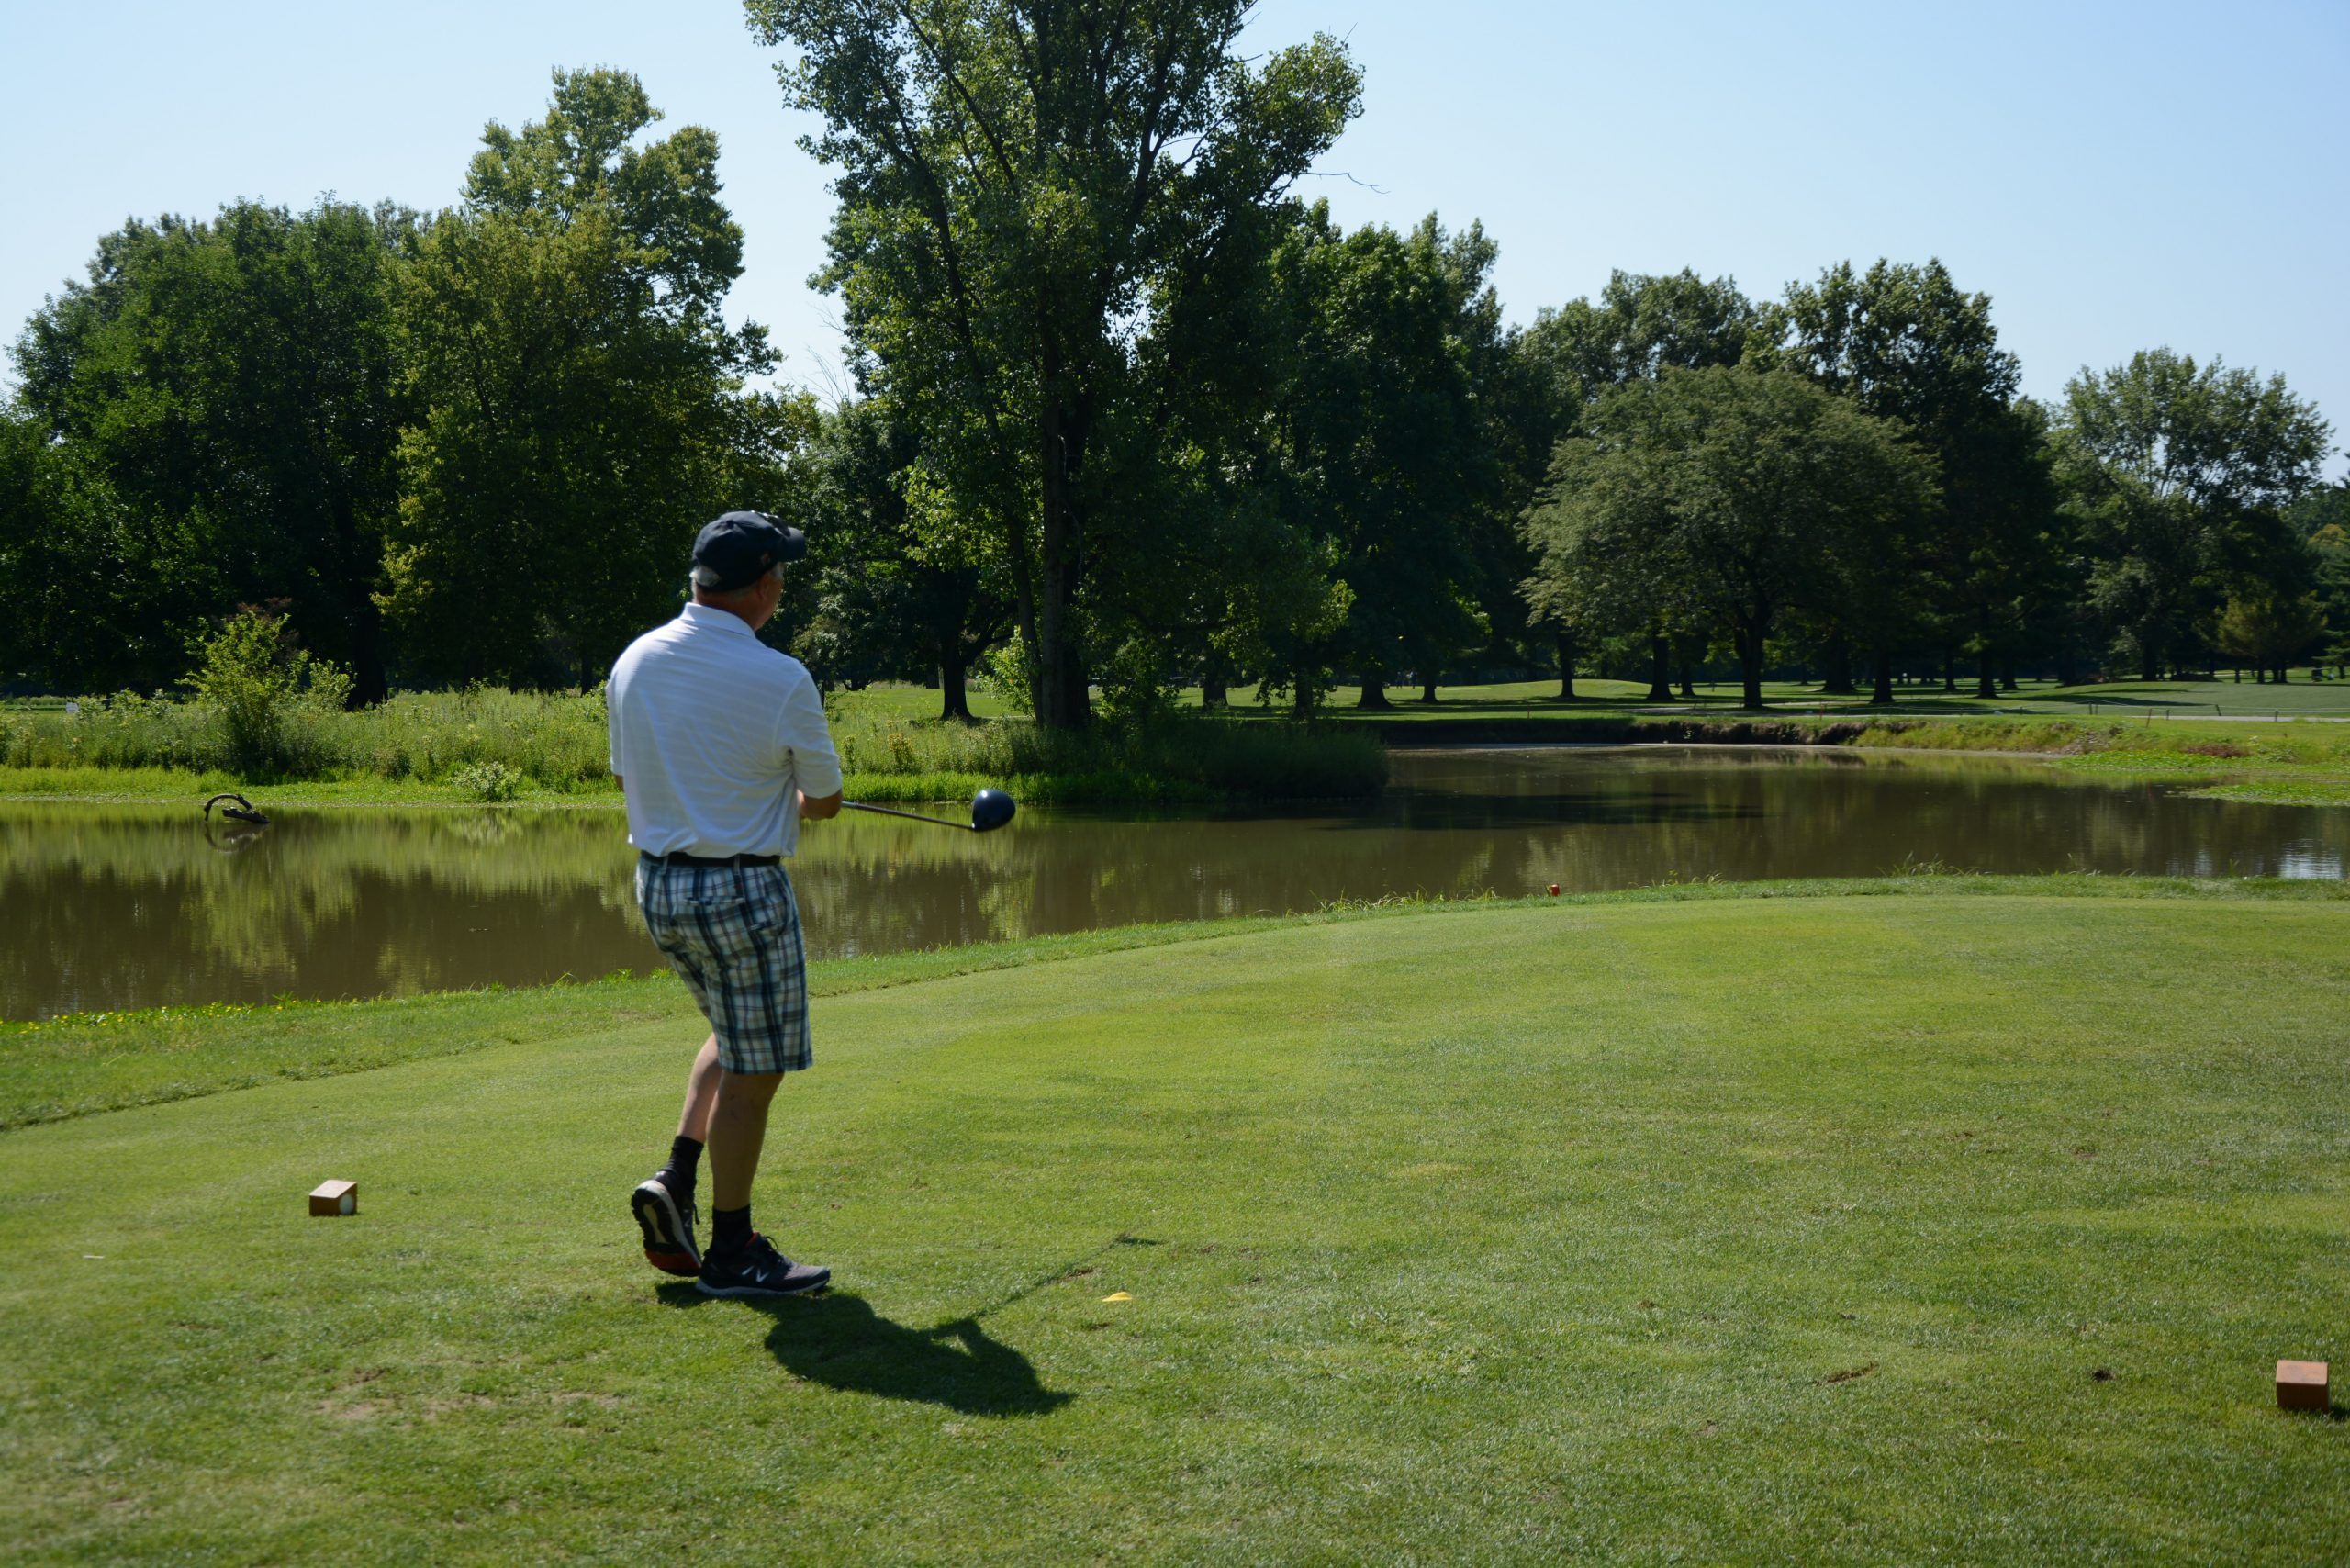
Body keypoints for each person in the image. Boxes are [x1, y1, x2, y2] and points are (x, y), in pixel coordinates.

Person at [607, 511, 843, 1297]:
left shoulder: (636, 658)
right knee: (757, 1065)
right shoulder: (781, 676)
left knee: (733, 1032)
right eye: (782, 577)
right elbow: (824, 801)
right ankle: (733, 1248)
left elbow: (628, 777)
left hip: (660, 887)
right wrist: (782, 795)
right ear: (765, 586)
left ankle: (676, 1178)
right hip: (742, 889)